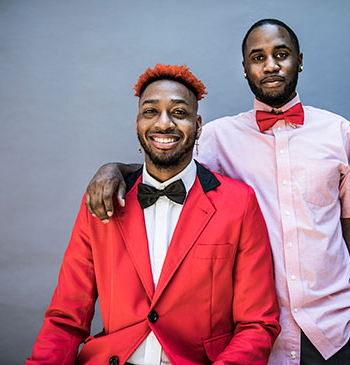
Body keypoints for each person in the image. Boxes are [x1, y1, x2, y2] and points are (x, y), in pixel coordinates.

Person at [85, 19, 350, 365]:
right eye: (258, 57)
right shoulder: (216, 137)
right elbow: (168, 165)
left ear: (299, 60)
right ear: (245, 69)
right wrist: (115, 169)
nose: (270, 65)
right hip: (258, 336)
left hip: (338, 329)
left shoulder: (338, 131)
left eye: (281, 54)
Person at [27, 64, 280, 365]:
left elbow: (257, 324)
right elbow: (65, 320)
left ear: (198, 125)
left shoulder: (239, 204)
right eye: (150, 112)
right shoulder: (100, 201)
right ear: (137, 123)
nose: (164, 124)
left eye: (179, 112)